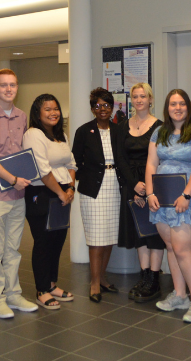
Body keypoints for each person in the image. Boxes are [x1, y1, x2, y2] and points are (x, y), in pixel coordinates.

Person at [0, 68, 39, 318]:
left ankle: (13, 294)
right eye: (3, 85)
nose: (9, 89)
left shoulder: (22, 116)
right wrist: (12, 179)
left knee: (13, 250)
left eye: (12, 85)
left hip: (17, 196)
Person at [145, 89, 191, 323]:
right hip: (162, 198)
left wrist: (186, 195)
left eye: (182, 103)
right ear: (167, 107)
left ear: (188, 106)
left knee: (183, 249)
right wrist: (150, 192)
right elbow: (152, 163)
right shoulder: (159, 132)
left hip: (187, 198)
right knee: (171, 248)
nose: (177, 107)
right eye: (173, 103)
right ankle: (180, 295)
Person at [22, 94, 77, 310]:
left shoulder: (60, 134)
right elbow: (42, 169)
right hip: (42, 193)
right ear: (37, 113)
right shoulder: (33, 134)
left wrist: (70, 188)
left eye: (56, 109)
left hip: (64, 191)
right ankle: (41, 290)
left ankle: (52, 284)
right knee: (43, 242)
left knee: (57, 240)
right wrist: (61, 193)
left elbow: (71, 163)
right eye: (47, 109)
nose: (53, 113)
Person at [116, 83, 165, 302]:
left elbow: (162, 158)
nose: (139, 100)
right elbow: (120, 159)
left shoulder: (160, 127)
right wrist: (134, 184)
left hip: (153, 185)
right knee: (139, 232)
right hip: (131, 185)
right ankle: (144, 276)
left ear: (150, 99)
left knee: (154, 233)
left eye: (143, 96)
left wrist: (146, 185)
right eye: (135, 96)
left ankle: (154, 279)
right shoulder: (123, 126)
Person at [72, 87, 122, 303]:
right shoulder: (84, 131)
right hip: (93, 188)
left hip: (114, 187)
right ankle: (93, 282)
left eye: (106, 105)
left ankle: (102, 277)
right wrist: (86, 176)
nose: (102, 109)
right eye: (98, 106)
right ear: (92, 109)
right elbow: (74, 161)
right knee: (95, 237)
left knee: (109, 234)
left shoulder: (119, 130)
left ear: (112, 107)